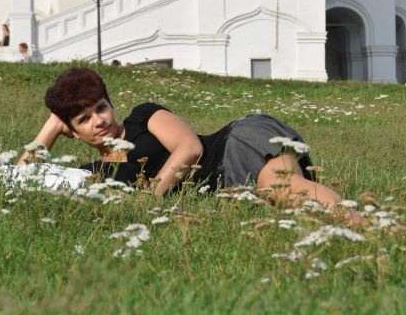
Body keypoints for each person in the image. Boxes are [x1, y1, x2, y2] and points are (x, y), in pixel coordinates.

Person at [20, 68, 356, 222]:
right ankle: (367, 226)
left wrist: (151, 196)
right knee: (289, 204)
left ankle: (371, 226)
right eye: (83, 119)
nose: (99, 120)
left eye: (101, 107)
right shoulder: (97, 172)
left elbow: (190, 148)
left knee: (281, 189)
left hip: (233, 147)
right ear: (73, 133)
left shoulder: (143, 117)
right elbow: (19, 177)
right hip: (231, 185)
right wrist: (51, 125)